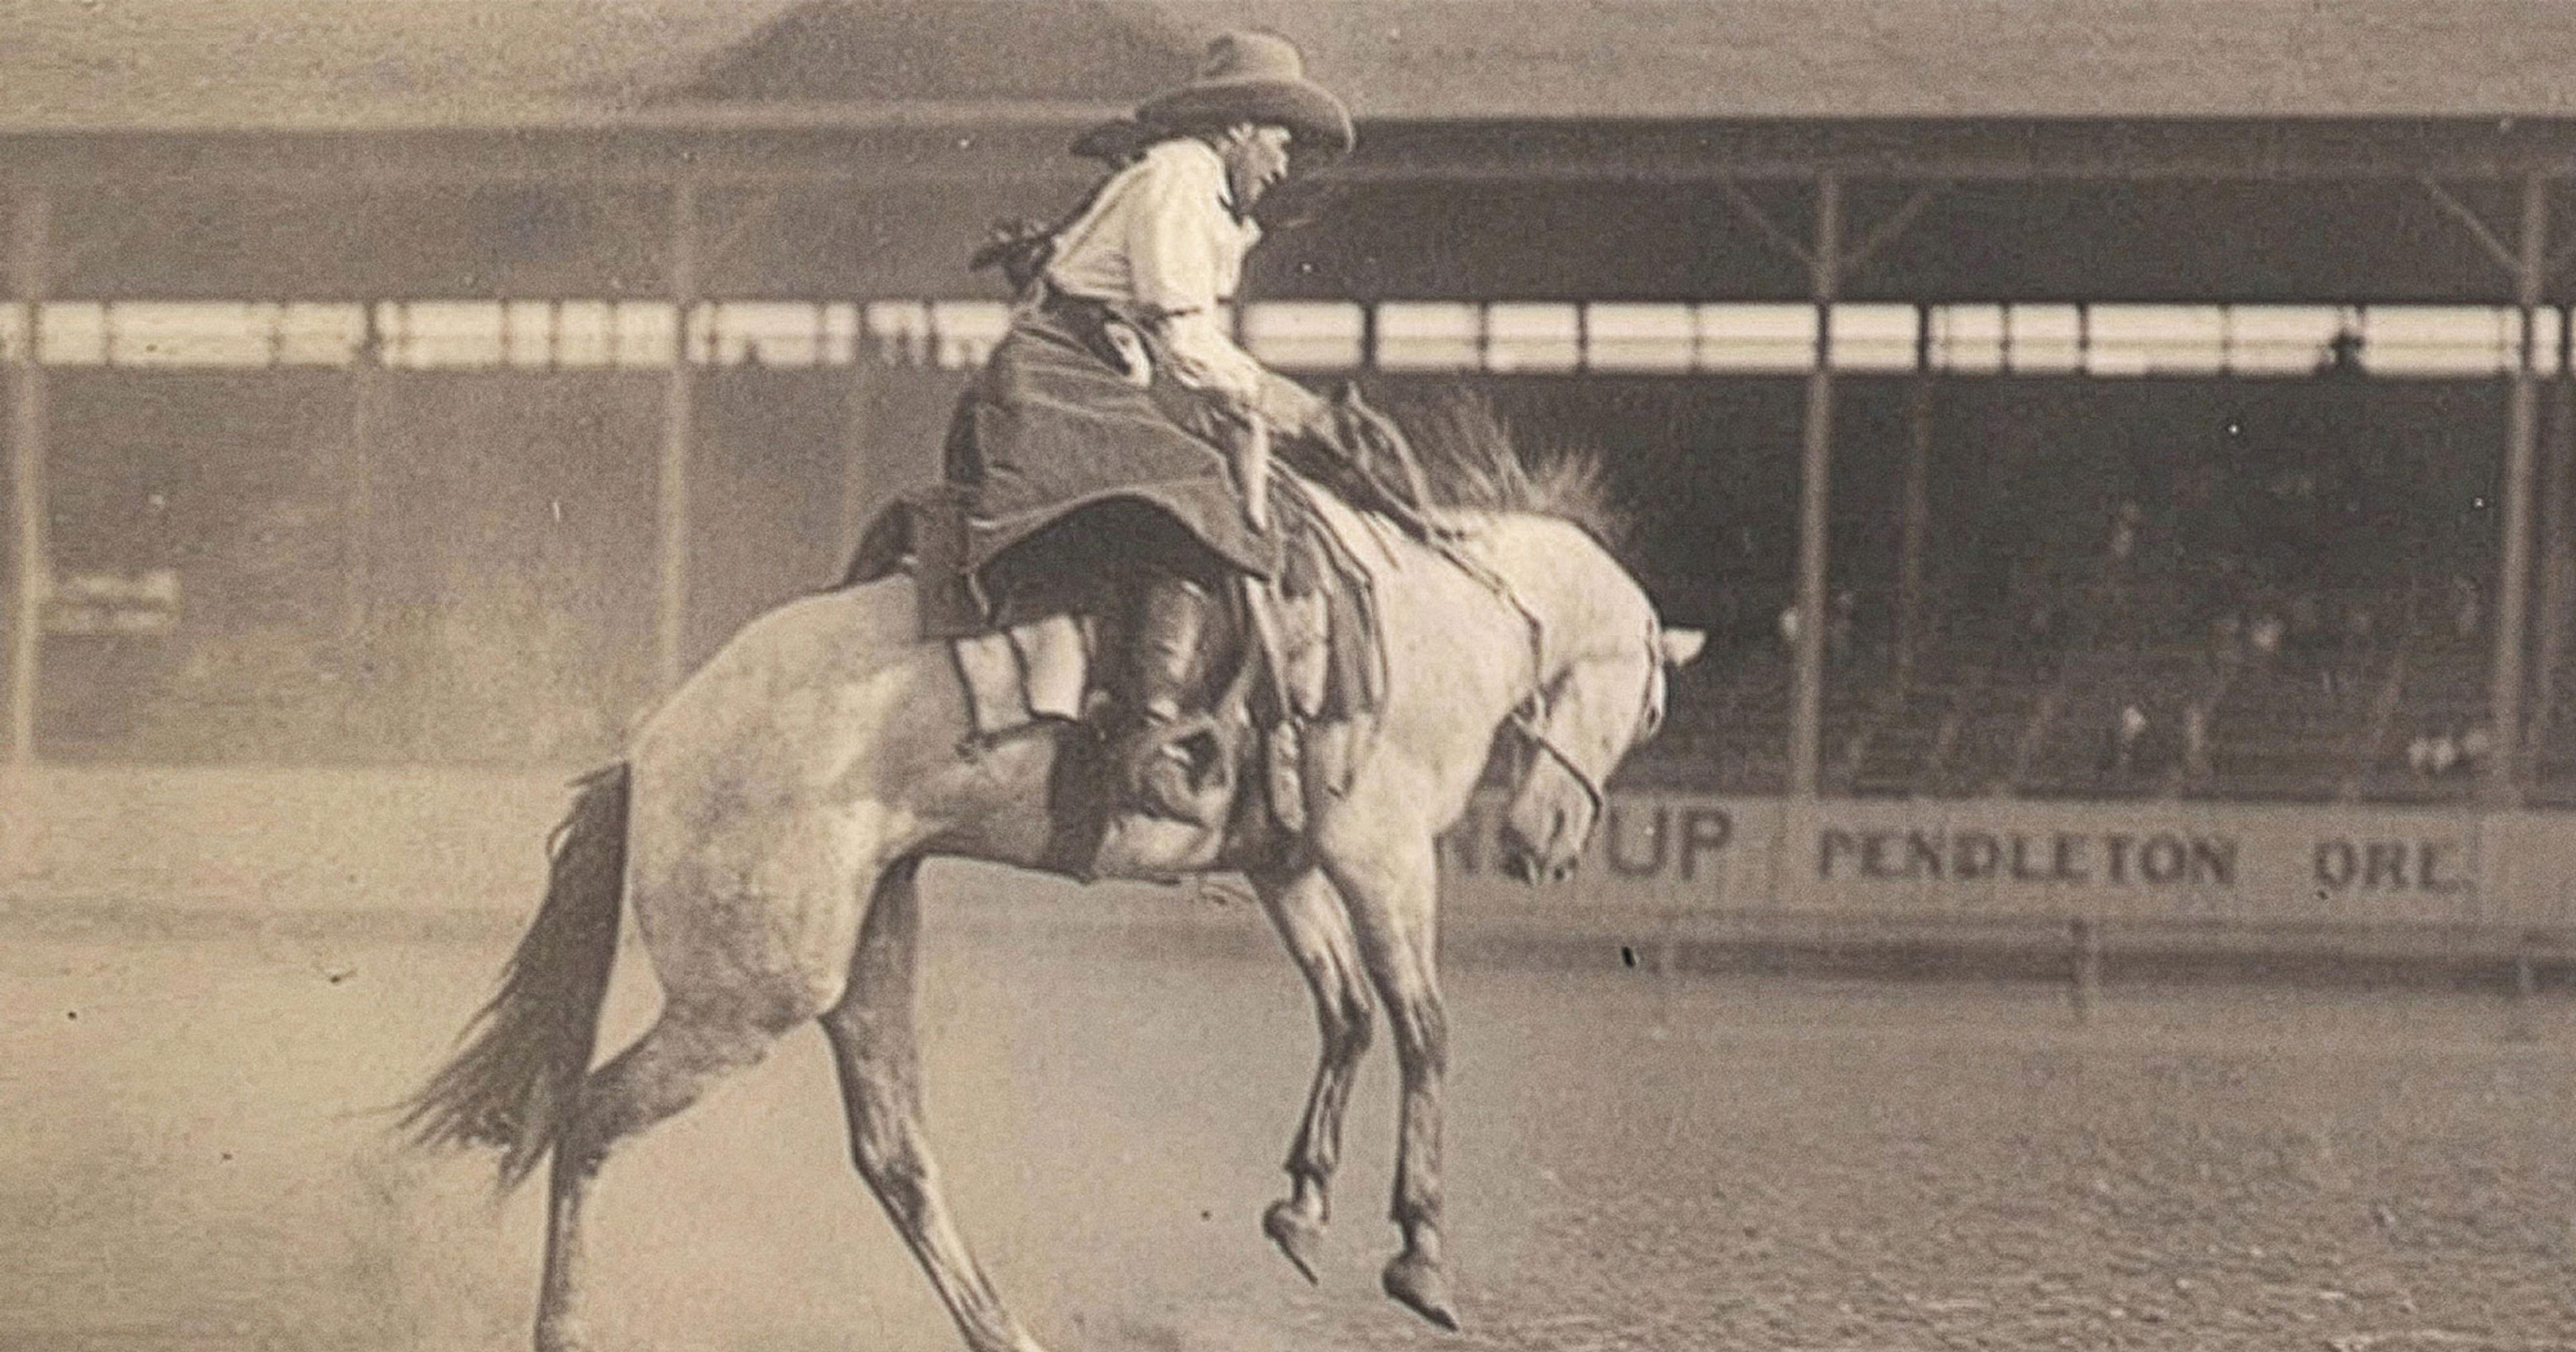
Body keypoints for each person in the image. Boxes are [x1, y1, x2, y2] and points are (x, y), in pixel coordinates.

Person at [945, 32, 1355, 827]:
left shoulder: (1206, 196)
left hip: (1098, 372)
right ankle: (1149, 733)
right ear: (1239, 129)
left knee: (1221, 487)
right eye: (1278, 142)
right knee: (1197, 494)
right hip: (1058, 377)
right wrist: (1291, 405)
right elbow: (1186, 339)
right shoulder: (1179, 177)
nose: (1282, 165)